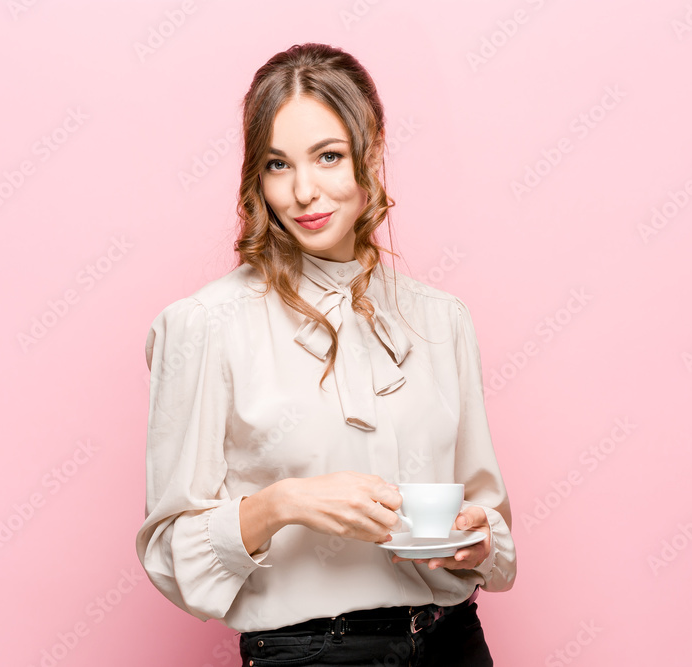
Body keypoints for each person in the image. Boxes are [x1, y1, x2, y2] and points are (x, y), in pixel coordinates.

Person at [136, 42, 517, 667]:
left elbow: (490, 520)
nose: (303, 192)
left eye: (329, 157)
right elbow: (168, 551)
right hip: (314, 654)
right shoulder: (204, 325)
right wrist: (284, 503)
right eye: (278, 165)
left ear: (373, 153)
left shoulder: (441, 319)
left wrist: (475, 542)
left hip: (455, 643)